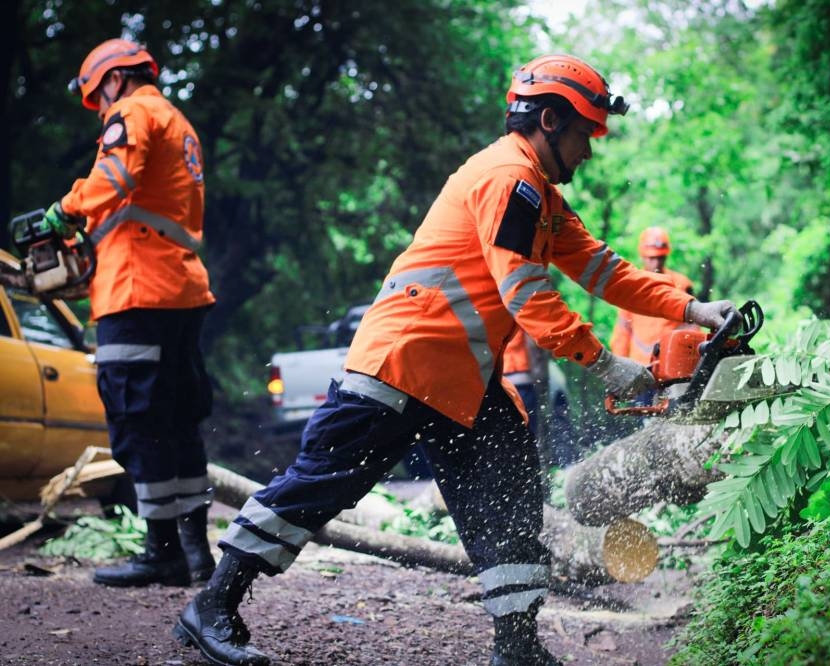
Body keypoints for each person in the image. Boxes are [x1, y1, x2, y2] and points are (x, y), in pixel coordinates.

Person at [173, 53, 735, 666]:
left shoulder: (539, 195)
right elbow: (525, 292)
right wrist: (603, 363)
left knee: (511, 489)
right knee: (324, 482)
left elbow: (604, 269)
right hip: (403, 361)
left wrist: (696, 311)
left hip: (463, 377)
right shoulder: (507, 179)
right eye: (583, 135)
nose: (588, 152)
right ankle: (214, 606)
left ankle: (517, 646)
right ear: (550, 119)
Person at [46, 39, 217, 587]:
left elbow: (113, 179)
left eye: (98, 97)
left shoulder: (133, 111)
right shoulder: (179, 123)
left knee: (137, 422)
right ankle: (195, 553)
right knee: (177, 421)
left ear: (114, 80)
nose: (101, 110)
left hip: (136, 290)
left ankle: (163, 552)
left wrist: (65, 210)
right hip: (179, 290)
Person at [609, 226, 698, 365]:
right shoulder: (632, 285)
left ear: (666, 255)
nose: (656, 263)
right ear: (643, 255)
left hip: (672, 366)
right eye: (652, 258)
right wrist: (619, 367)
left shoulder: (682, 284)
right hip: (640, 368)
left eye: (660, 258)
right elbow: (622, 332)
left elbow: (692, 329)